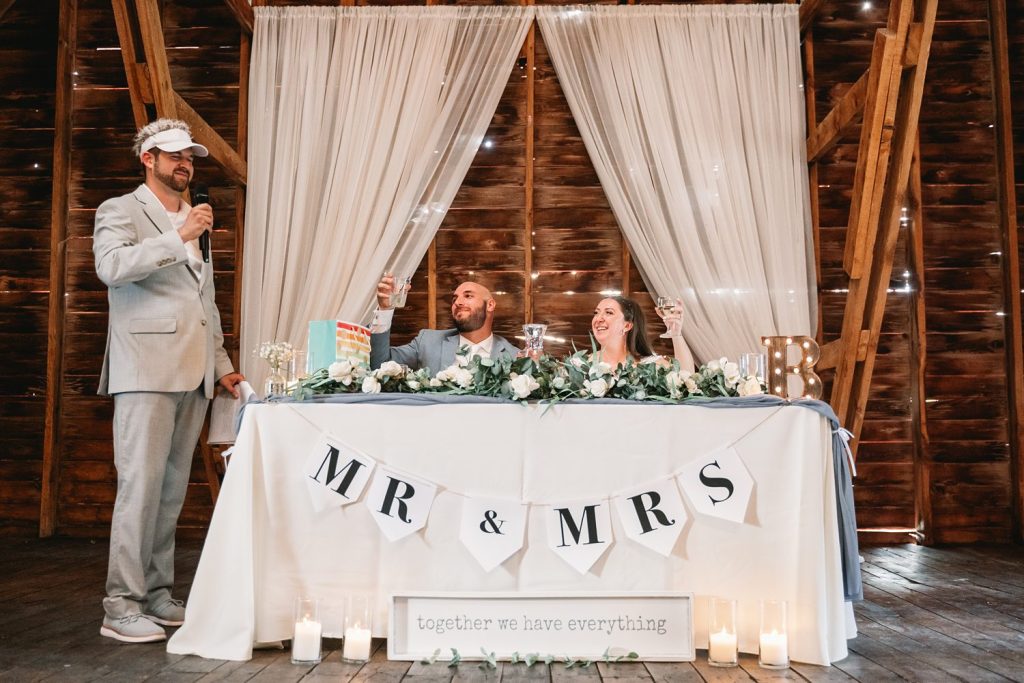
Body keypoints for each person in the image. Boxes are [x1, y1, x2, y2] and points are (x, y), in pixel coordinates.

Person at [93, 118, 244, 643]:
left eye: (191, 157)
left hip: (195, 373)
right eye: (175, 155)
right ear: (148, 158)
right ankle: (120, 605)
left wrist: (223, 365)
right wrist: (175, 236)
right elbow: (110, 267)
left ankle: (156, 595)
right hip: (146, 369)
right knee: (139, 488)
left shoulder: (195, 217)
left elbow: (204, 300)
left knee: (171, 491)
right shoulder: (121, 210)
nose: (186, 164)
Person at [369, 274, 519, 372]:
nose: (458, 302)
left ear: (490, 305)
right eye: (454, 299)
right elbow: (379, 366)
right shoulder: (427, 342)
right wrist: (384, 310)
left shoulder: (513, 356)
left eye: (468, 296)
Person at [591, 296, 695, 372]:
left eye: (609, 312)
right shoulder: (579, 365)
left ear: (627, 326)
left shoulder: (649, 365)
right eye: (596, 313)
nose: (598, 319)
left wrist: (676, 334)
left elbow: (685, 378)